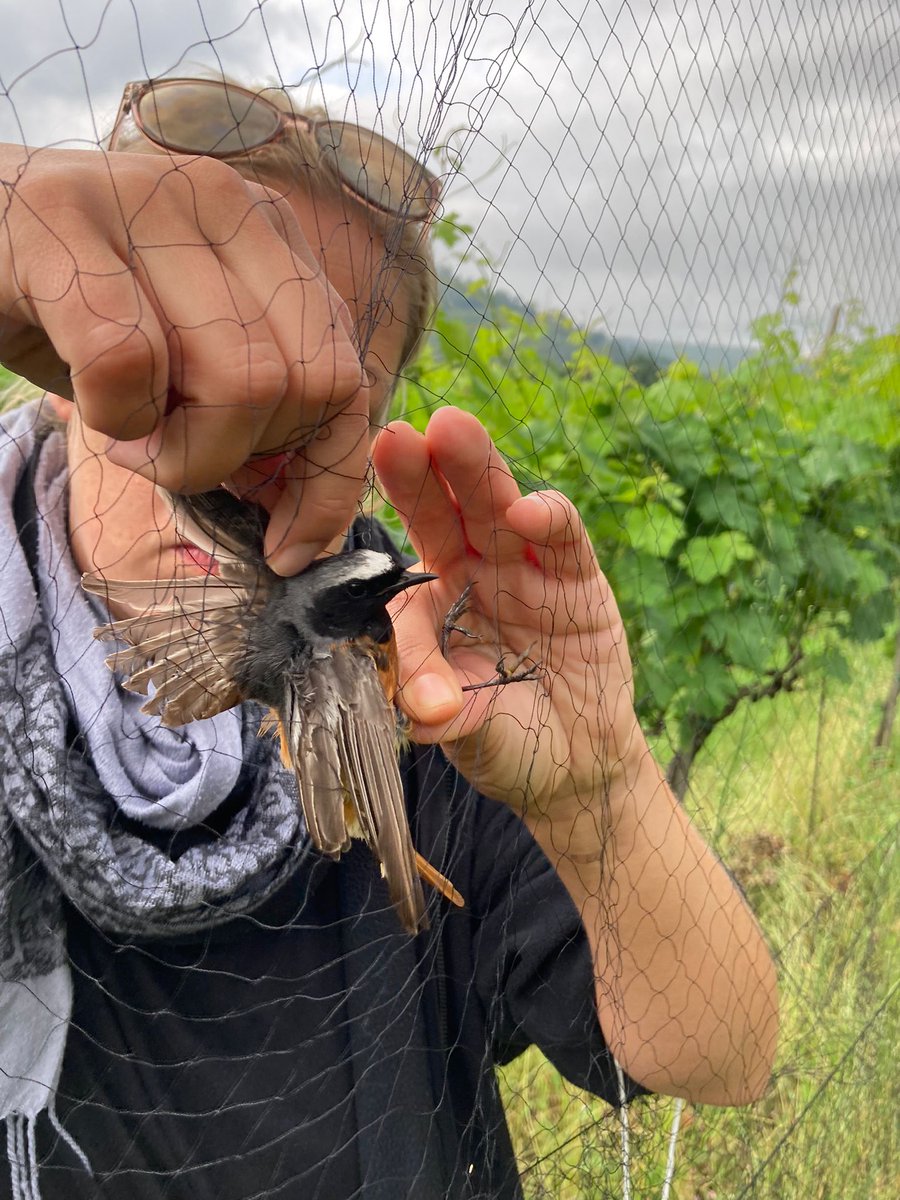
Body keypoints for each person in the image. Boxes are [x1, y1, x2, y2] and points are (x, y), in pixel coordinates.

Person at [0, 76, 778, 1199]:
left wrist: (600, 789)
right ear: (75, 366)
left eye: (299, 416)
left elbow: (724, 1055)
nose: (228, 462)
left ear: (364, 439)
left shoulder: (428, 681)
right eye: (194, 377)